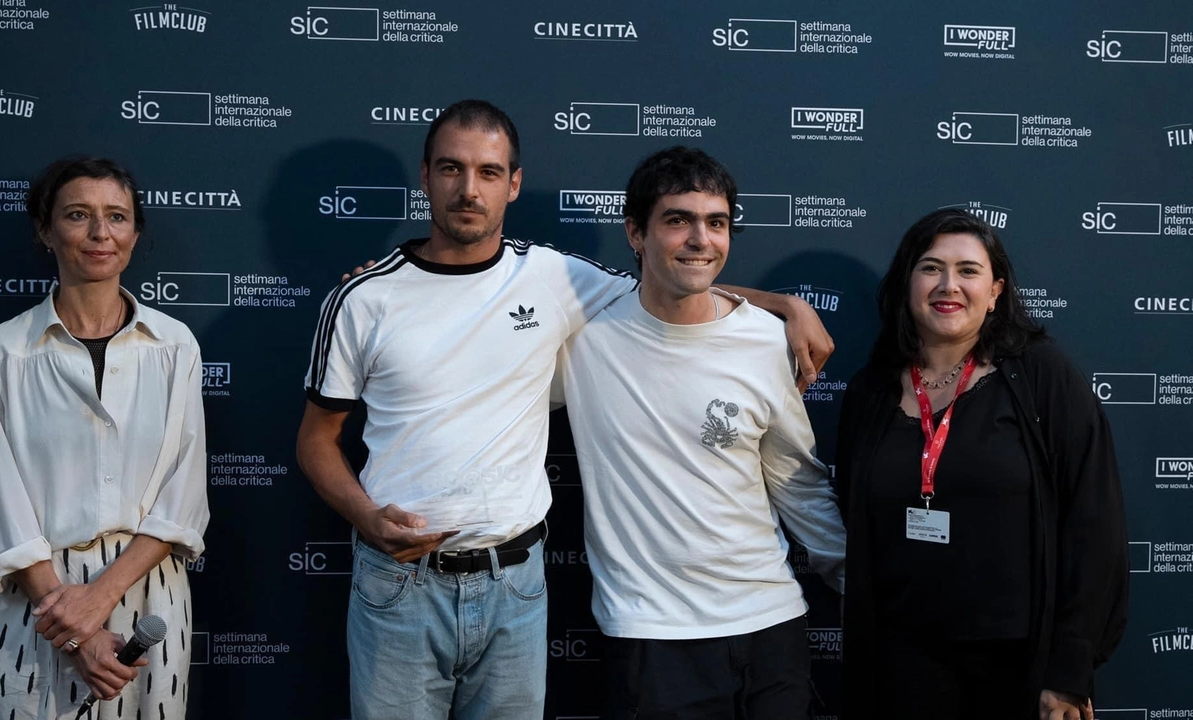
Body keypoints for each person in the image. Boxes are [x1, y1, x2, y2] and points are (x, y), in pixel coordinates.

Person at [296, 100, 834, 720]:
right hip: (400, 584)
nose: (469, 190)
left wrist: (782, 303)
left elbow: (672, 278)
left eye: (490, 172)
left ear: (514, 184)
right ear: (425, 176)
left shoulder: (554, 278)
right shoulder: (364, 297)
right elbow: (316, 439)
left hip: (516, 584)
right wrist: (365, 517)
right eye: (451, 169)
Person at [555, 146, 846, 719]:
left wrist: (858, 581)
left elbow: (797, 482)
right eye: (678, 220)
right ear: (635, 232)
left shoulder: (768, 339)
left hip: (771, 628)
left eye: (716, 223)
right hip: (653, 636)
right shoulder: (580, 340)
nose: (700, 239)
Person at [835, 209, 1128, 720]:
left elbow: (1094, 524)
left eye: (968, 270)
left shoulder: (1042, 375)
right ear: (907, 283)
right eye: (930, 267)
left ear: (995, 291)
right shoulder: (870, 391)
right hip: (901, 664)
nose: (949, 284)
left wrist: (1069, 669)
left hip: (1016, 666)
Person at [0, 156, 210, 719]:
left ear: (135, 231)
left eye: (117, 217)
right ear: (45, 230)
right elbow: (0, 503)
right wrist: (75, 628)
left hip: (149, 587)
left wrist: (99, 600)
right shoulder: (2, 352)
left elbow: (184, 496)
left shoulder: (175, 345)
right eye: (79, 215)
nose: (101, 233)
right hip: (40, 600)